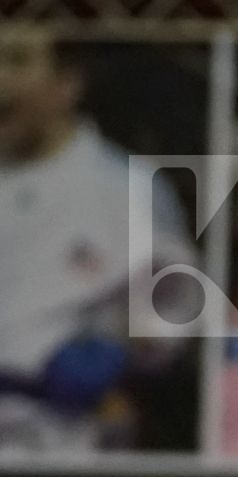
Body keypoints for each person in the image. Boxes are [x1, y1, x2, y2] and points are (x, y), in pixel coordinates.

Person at [0, 34, 196, 452]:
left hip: (64, 440)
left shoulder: (127, 189)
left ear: (66, 84)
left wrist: (118, 352)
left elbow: (174, 312)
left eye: (16, 60)